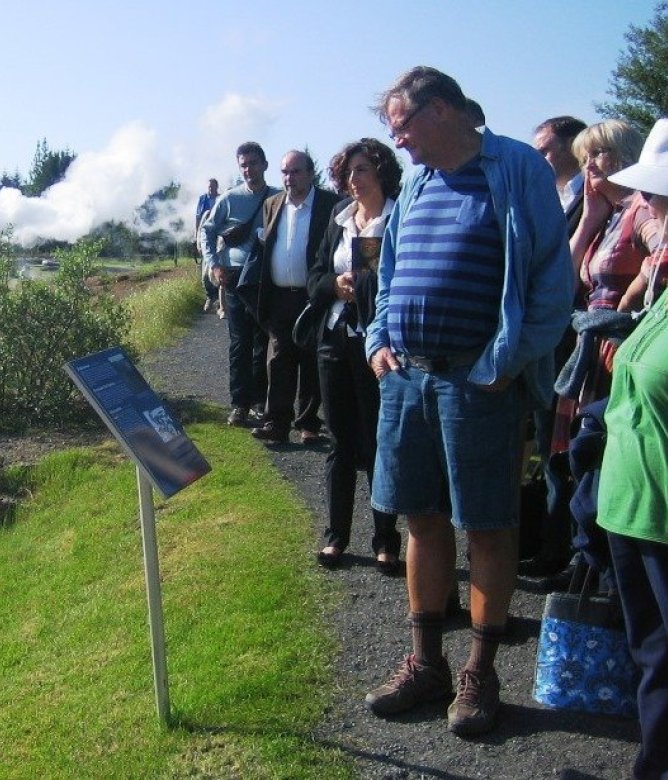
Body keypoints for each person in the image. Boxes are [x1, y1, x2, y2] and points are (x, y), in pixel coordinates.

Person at [363, 67, 573, 736]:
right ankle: (426, 664)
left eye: (402, 125)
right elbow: (390, 273)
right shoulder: (418, 181)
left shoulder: (515, 168)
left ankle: (480, 672)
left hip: (477, 382)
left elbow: (551, 279)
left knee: (487, 526)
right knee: (420, 520)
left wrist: (506, 363)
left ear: (444, 109)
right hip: (407, 379)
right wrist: (378, 340)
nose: (397, 141)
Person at [597, 117, 668, 780]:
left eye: (659, 198)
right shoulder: (662, 288)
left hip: (661, 513)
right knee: (653, 653)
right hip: (635, 509)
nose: (646, 208)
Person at [306, 139, 402, 571]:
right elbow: (315, 276)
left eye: (361, 169)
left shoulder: (398, 217)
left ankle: (386, 539)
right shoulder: (339, 219)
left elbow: (402, 280)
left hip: (379, 344)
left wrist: (362, 284)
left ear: (381, 171)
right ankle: (336, 537)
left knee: (379, 441)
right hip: (334, 339)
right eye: (347, 172)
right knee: (339, 441)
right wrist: (334, 285)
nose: (353, 179)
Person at [550, 120, 660, 456]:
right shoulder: (608, 215)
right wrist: (587, 221)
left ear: (626, 154)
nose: (589, 164)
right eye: (584, 158)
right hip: (594, 351)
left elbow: (663, 255)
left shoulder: (641, 208)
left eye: (599, 152)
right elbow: (563, 283)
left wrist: (627, 301)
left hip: (623, 347)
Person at [519, 115, 590, 580]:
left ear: (571, 147)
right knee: (541, 446)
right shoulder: (547, 199)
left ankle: (562, 550)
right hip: (543, 335)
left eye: (547, 149)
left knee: (563, 448)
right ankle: (542, 541)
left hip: (572, 338)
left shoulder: (588, 200)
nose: (540, 158)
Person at [250, 151, 338, 445]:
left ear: (311, 173)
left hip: (312, 296)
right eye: (285, 172)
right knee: (278, 361)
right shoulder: (272, 204)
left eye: (296, 172)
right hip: (279, 296)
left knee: (312, 360)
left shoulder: (330, 204)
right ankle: (277, 424)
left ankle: (309, 424)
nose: (290, 178)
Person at [201, 142, 278, 427]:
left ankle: (260, 402)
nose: (248, 169)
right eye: (243, 165)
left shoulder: (278, 198)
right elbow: (207, 231)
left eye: (253, 163)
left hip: (265, 278)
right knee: (239, 342)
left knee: (262, 342)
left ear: (265, 165)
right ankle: (239, 404)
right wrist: (214, 264)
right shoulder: (229, 199)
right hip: (234, 277)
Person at [534, 116, 588, 234]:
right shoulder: (539, 200)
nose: (537, 160)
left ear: (573, 146)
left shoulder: (600, 195)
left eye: (544, 152)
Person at [195, 178, 221, 314]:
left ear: (217, 187)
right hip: (206, 237)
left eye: (213, 186)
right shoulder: (202, 199)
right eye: (209, 187)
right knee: (206, 270)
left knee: (219, 267)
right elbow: (198, 219)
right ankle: (210, 296)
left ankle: (219, 299)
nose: (211, 189)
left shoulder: (221, 199)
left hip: (219, 238)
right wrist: (197, 238)